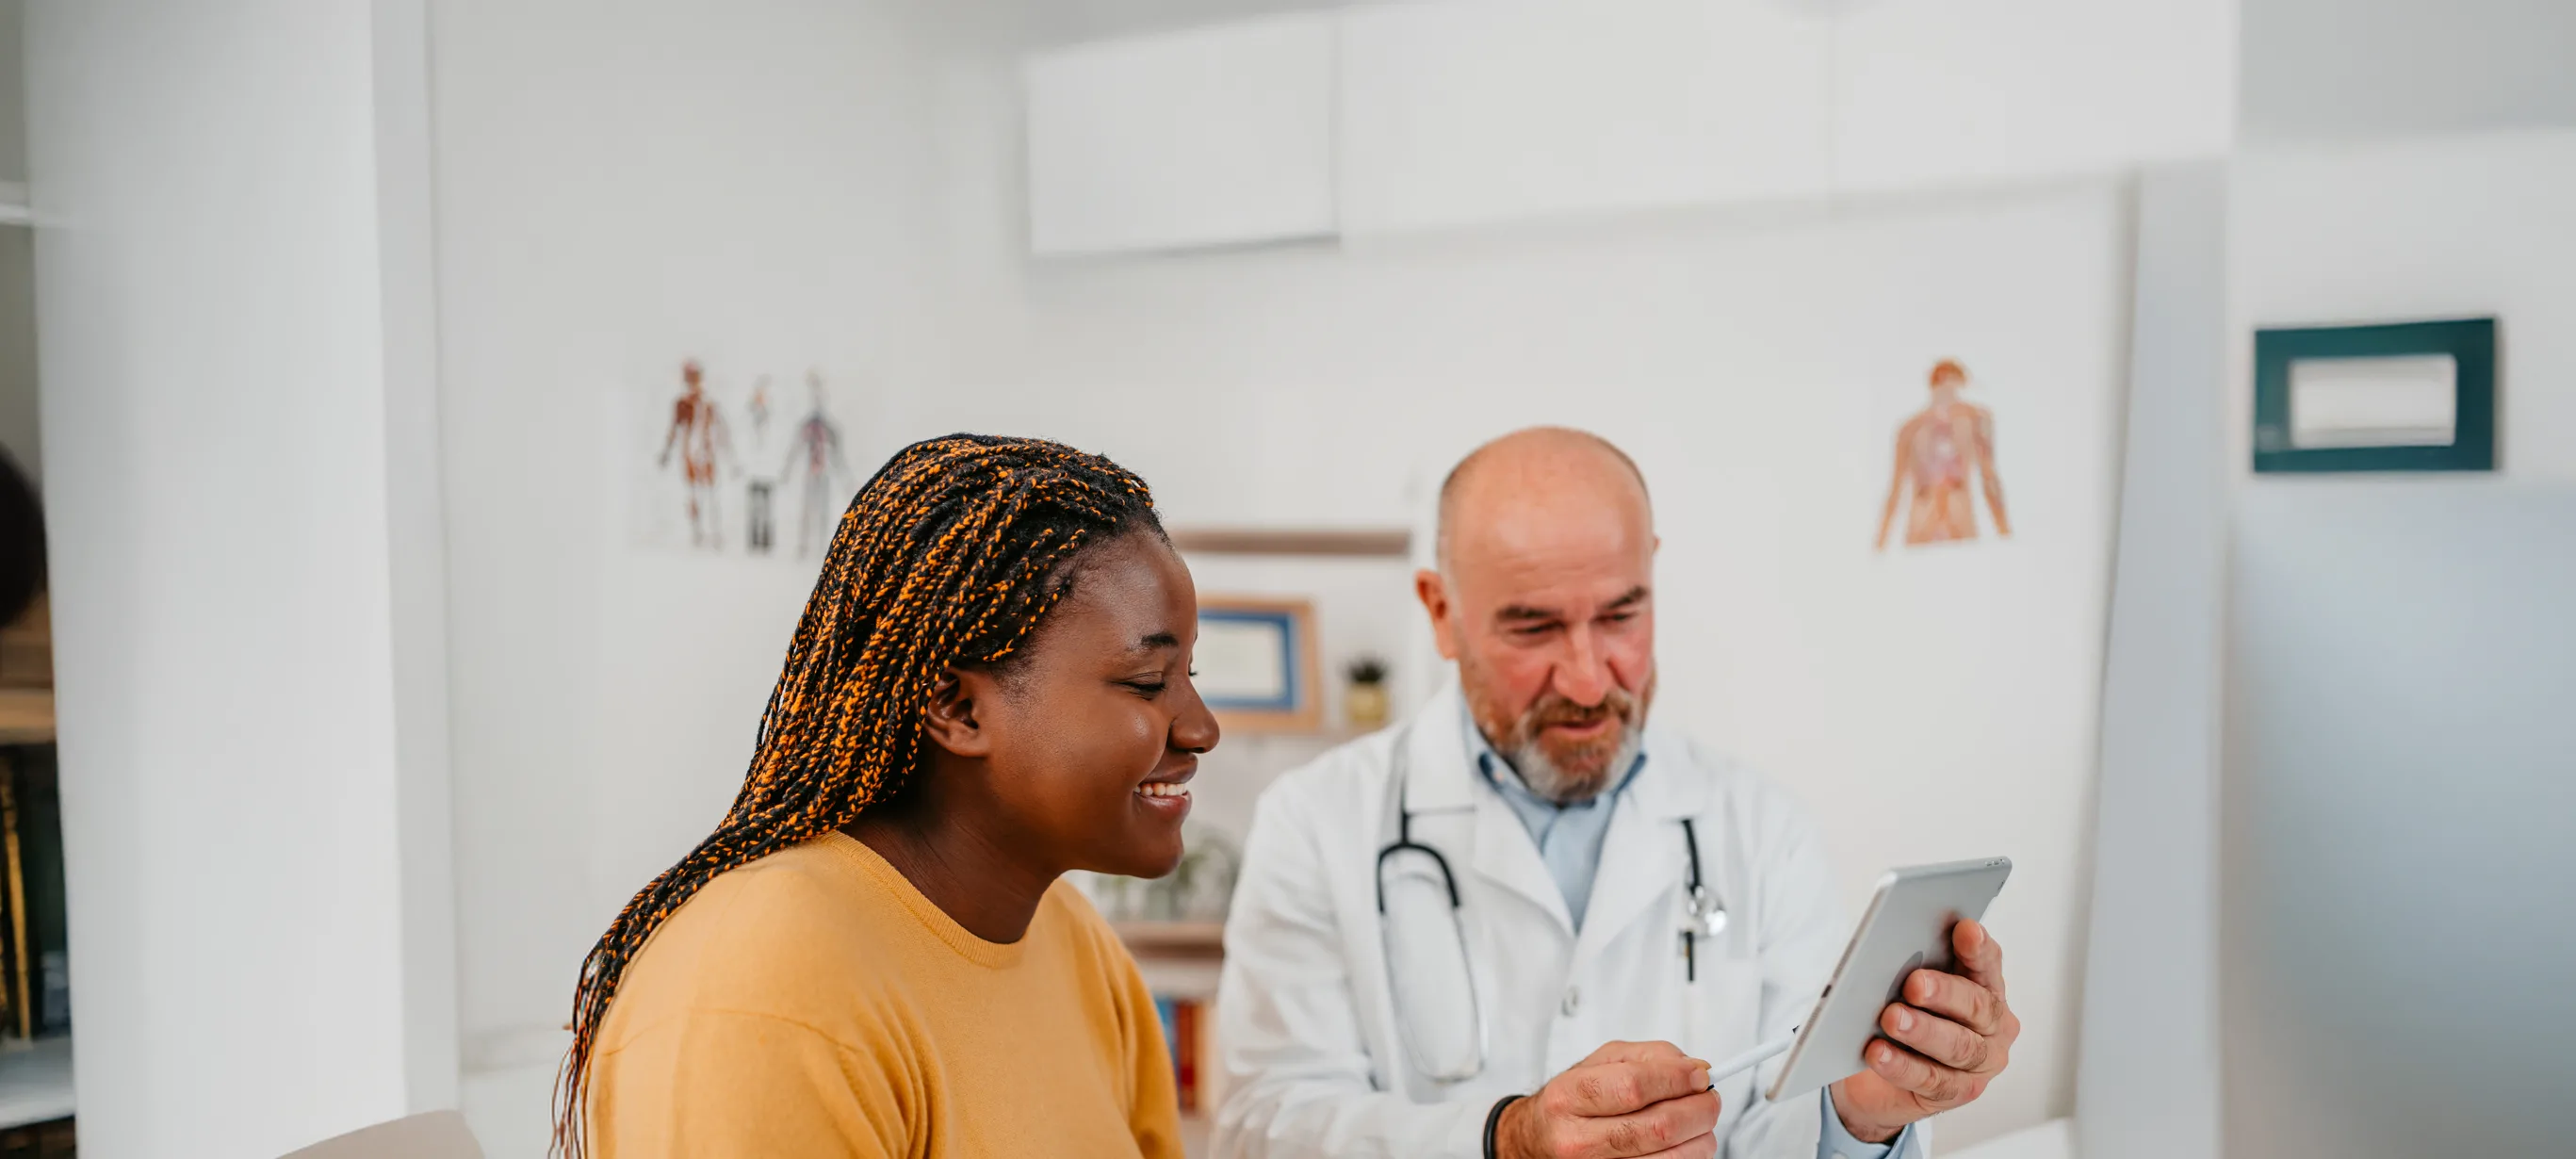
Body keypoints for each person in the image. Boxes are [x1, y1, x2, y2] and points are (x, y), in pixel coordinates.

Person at [1215, 428, 2018, 1159]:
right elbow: (1260, 1128)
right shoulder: (1315, 824)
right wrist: (1505, 1143)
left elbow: (1789, 1117)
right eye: (1532, 628)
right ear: (1441, 612)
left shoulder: (1762, 829)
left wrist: (1864, 1116)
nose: (1589, 679)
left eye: (1621, 615)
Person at [558, 434, 1218, 1158]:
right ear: (957, 709)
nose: (1201, 728)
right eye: (1149, 682)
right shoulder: (765, 990)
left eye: (1191, 674)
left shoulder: (1071, 939)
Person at [1875, 359, 2011, 549]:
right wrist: (1879, 544)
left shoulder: (1974, 419)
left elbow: (1990, 479)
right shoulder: (1911, 428)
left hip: (1955, 525)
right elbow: (1895, 489)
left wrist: (2005, 534)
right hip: (1925, 527)